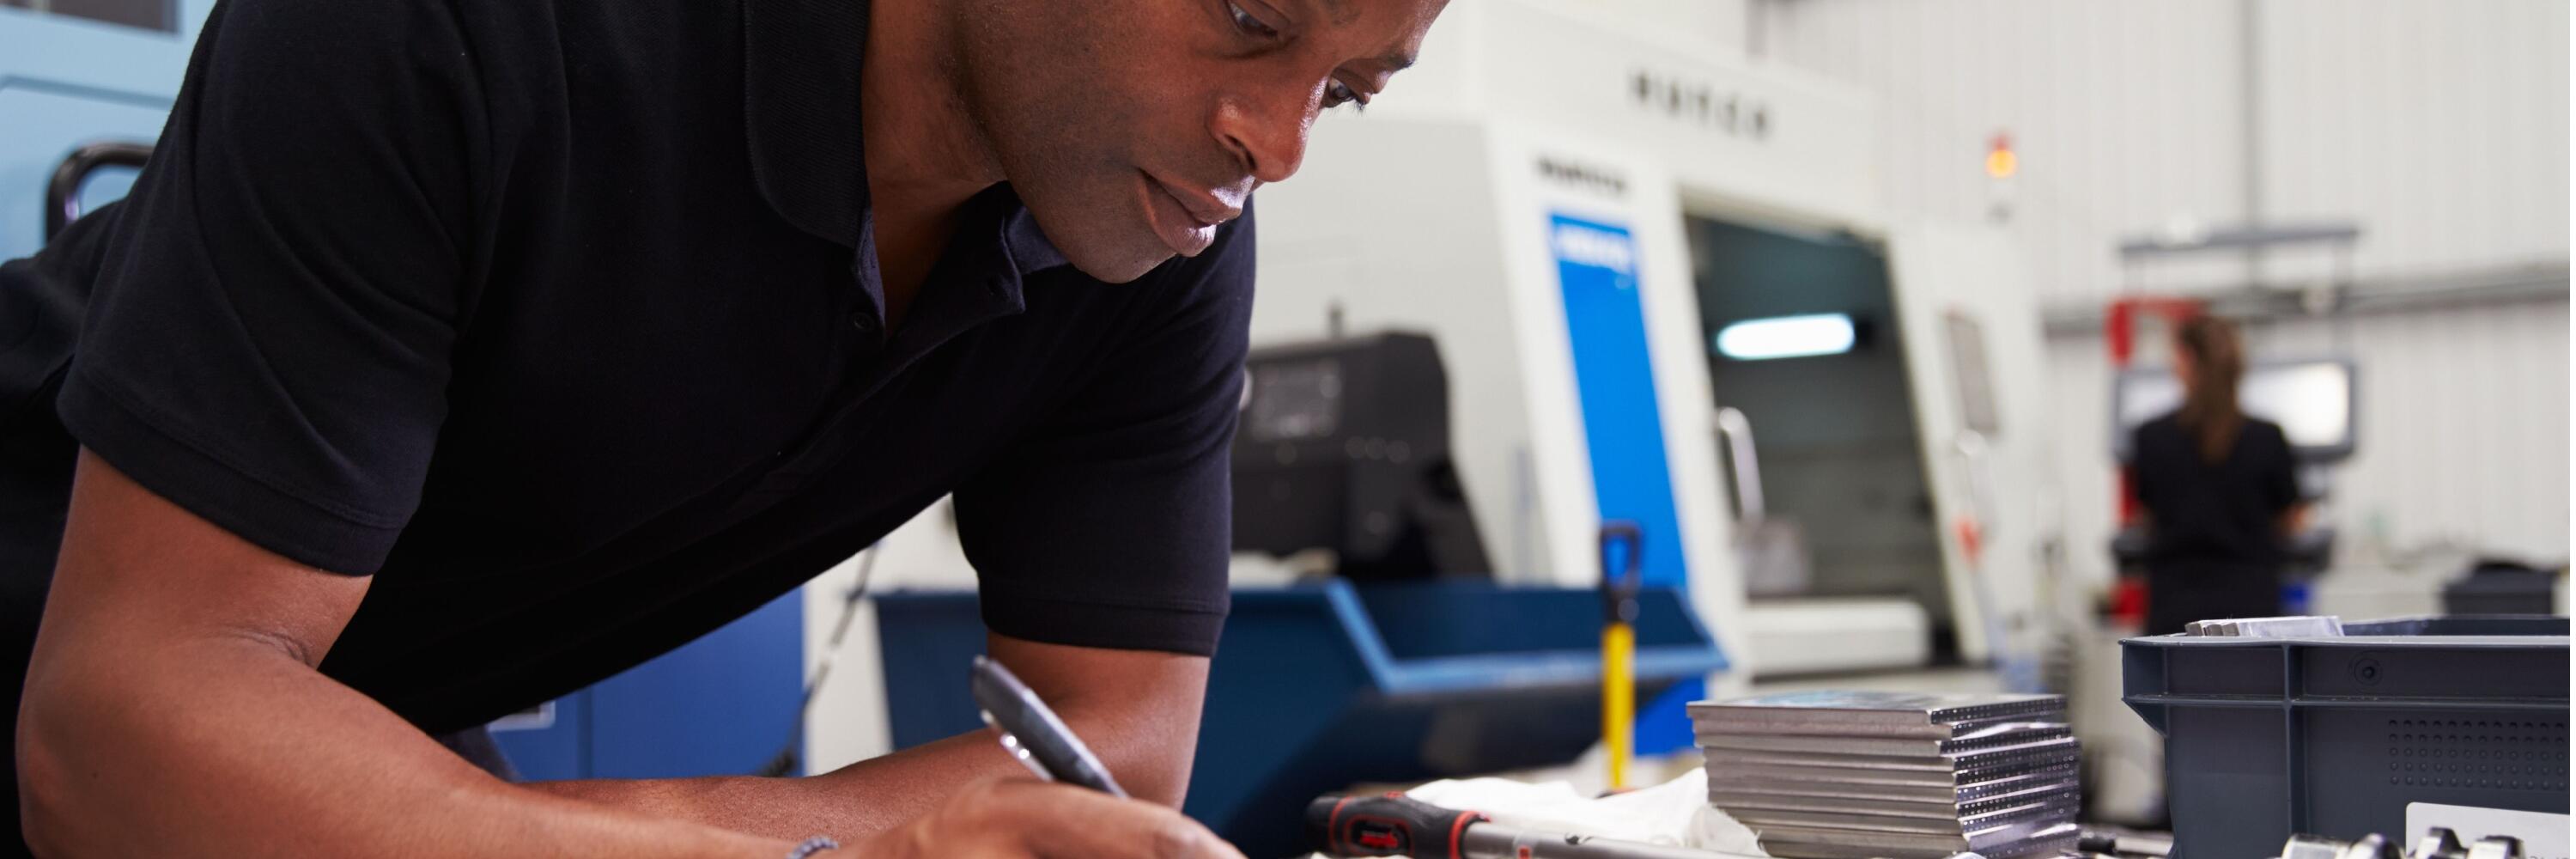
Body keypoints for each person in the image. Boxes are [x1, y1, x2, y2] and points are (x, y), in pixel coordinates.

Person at [0, 0, 1448, 855]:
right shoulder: (470, 29)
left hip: (340, 713)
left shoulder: (1156, 230)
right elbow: (114, 728)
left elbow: (1114, 749)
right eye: (1253, 14)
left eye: (1347, 87)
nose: (1277, 141)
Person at [2127, 314, 2307, 637]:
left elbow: (2147, 517)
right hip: (2252, 617)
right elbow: (2290, 520)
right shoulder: (2267, 437)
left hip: (2174, 613)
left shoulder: (2150, 438)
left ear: (2186, 362)